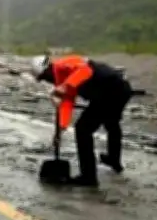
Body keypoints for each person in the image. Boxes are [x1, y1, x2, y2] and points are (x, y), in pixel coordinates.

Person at [30, 54, 133, 187]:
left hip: (114, 90)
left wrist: (65, 86)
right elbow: (67, 102)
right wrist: (61, 129)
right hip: (110, 92)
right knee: (111, 122)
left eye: (44, 76)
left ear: (47, 68)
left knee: (83, 129)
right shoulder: (60, 78)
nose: (46, 80)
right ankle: (114, 160)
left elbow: (86, 70)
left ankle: (88, 177)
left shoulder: (63, 64)